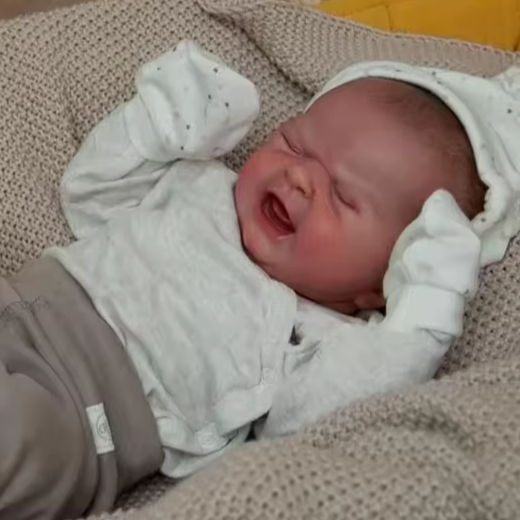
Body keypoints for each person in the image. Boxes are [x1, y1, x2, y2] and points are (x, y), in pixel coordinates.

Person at [1, 40, 519, 519]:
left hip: (76, 412)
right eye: (295, 145)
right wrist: (158, 124)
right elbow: (90, 197)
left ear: (388, 277)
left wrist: (423, 314)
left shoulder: (311, 339)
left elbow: (314, 422)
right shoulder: (201, 183)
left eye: (343, 197)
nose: (300, 176)